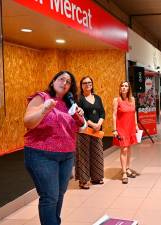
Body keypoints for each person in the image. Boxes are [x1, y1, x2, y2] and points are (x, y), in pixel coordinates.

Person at [23, 71, 86, 225]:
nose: (64, 83)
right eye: (61, 79)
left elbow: (80, 128)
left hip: (66, 156)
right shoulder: (42, 97)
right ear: (53, 82)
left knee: (59, 194)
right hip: (42, 155)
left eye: (68, 82)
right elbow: (28, 122)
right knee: (50, 196)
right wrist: (44, 110)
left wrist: (80, 117)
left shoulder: (70, 104)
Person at [75, 76, 105, 189]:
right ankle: (83, 180)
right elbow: (80, 115)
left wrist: (99, 124)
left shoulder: (97, 98)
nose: (87, 84)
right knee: (84, 155)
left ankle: (96, 178)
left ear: (92, 84)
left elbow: (102, 113)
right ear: (81, 85)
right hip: (84, 131)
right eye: (84, 83)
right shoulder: (79, 99)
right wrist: (93, 125)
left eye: (89, 82)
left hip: (97, 131)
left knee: (97, 153)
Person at [113, 81, 139, 184]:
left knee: (129, 148)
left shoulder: (132, 99)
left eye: (126, 86)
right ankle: (124, 172)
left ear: (129, 89)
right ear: (120, 88)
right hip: (121, 128)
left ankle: (128, 168)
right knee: (123, 149)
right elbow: (114, 115)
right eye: (122, 86)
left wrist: (136, 125)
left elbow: (134, 112)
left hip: (130, 127)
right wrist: (114, 129)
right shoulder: (117, 100)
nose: (124, 88)